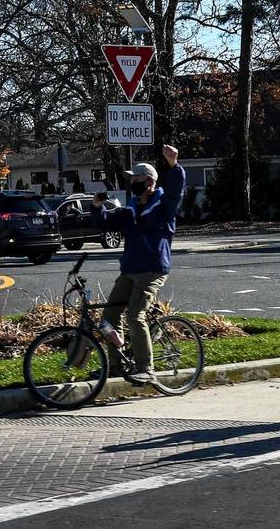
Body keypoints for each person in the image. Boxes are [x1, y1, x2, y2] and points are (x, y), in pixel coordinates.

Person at [95, 144, 184, 383]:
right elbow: (107, 222)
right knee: (108, 318)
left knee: (135, 314)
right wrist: (97, 207)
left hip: (153, 268)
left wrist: (173, 165)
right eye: (131, 178)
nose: (132, 182)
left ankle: (146, 368)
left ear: (149, 182)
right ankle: (116, 365)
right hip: (130, 269)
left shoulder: (164, 206)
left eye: (137, 178)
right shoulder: (131, 208)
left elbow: (177, 190)